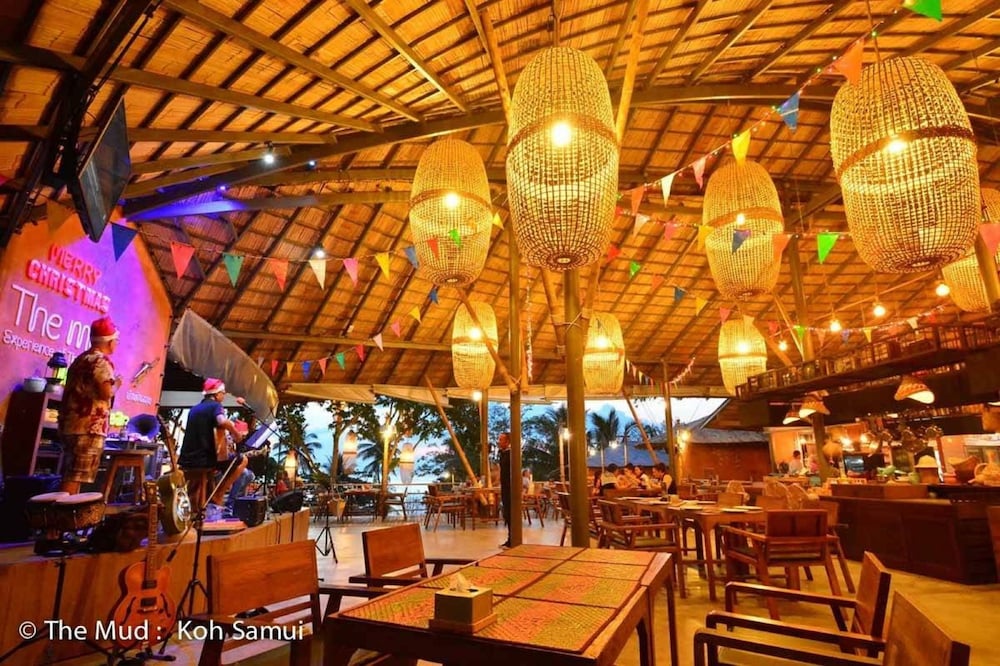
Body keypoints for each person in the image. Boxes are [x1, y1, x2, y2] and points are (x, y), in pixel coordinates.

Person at [58, 316, 123, 494]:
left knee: (71, 472)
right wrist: (117, 384)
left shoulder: (80, 360)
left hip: (70, 425)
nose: (116, 344)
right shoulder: (101, 362)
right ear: (109, 342)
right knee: (76, 476)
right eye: (116, 340)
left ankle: (67, 509)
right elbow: (106, 392)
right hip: (88, 428)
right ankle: (64, 511)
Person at [178, 378, 246, 519]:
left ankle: (205, 501)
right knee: (243, 460)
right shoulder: (215, 406)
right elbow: (221, 421)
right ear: (216, 394)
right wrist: (235, 432)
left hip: (186, 459)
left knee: (221, 465)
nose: (224, 395)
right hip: (204, 459)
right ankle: (218, 495)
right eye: (223, 392)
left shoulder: (194, 409)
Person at [498, 432, 512, 548]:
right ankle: (510, 538)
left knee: (510, 513)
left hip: (510, 488)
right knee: (507, 513)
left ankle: (512, 539)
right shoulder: (502, 454)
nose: (499, 442)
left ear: (507, 441)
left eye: (501, 439)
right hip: (504, 488)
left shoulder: (511, 455)